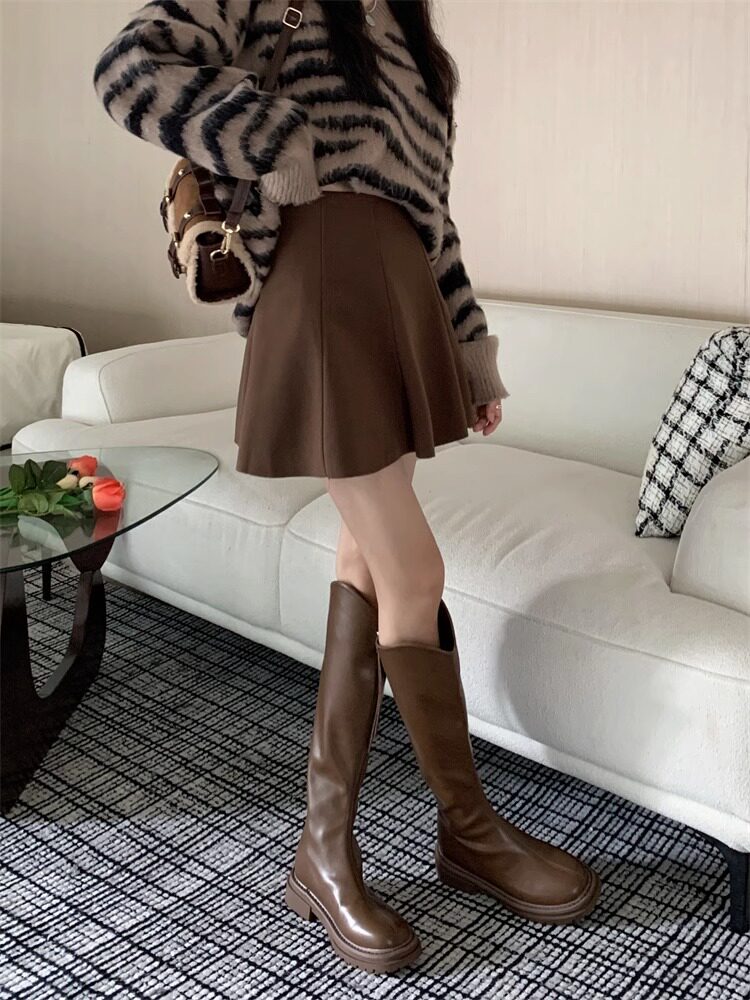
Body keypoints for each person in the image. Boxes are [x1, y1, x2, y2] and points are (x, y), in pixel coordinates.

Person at [93, 0, 600, 975]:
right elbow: (129, 68)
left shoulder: (416, 45)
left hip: (400, 296)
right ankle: (461, 830)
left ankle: (326, 854)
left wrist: (469, 350)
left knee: (366, 560)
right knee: (417, 570)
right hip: (317, 287)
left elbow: (434, 220)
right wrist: (270, 135)